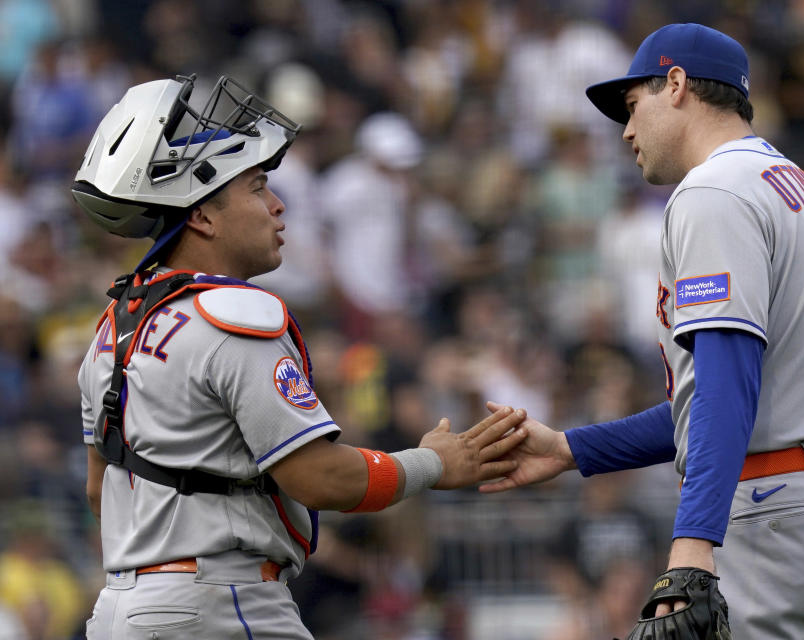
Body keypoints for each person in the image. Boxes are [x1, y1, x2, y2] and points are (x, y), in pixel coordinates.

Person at [482, 23, 804, 640]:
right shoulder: (801, 187)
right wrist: (574, 450)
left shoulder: (712, 190)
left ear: (675, 84)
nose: (626, 131)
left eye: (633, 107)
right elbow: (733, 392)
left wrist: (692, 545)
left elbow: (727, 387)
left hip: (777, 517)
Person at [71, 73, 528, 640]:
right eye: (258, 187)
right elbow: (320, 478)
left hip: (120, 609)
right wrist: (435, 463)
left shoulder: (114, 324)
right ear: (202, 216)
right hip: (222, 604)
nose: (279, 205)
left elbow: (100, 491)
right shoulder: (233, 315)